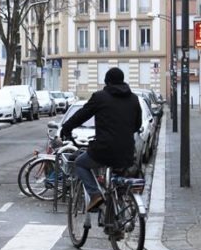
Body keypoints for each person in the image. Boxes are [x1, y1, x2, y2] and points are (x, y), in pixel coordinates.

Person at [60, 67, 143, 212]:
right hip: (127, 151)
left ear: (107, 81)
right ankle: (120, 214)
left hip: (104, 150)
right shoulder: (134, 98)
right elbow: (137, 125)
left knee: (80, 163)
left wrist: (66, 128)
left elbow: (82, 114)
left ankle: (95, 195)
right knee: (118, 183)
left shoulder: (100, 97)